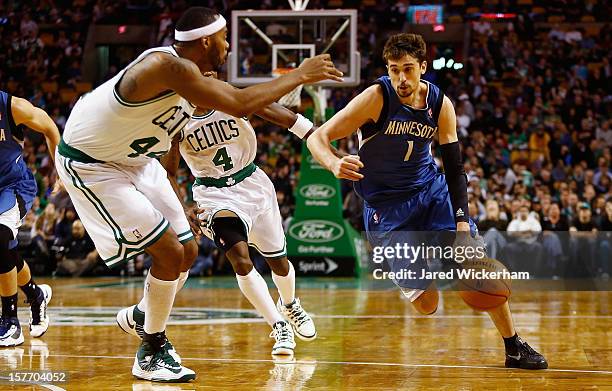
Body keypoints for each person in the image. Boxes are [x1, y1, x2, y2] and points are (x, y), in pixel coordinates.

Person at [55, 6, 341, 383]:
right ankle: (152, 349)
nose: (228, 46)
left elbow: (253, 104)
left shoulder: (196, 78)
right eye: (224, 39)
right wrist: (299, 75)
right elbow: (241, 103)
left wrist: (312, 133)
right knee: (171, 252)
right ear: (206, 41)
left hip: (138, 160)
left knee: (188, 252)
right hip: (94, 163)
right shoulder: (166, 67)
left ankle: (144, 314)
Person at [306, 33, 547, 369]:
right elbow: (318, 137)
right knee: (427, 304)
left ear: (423, 66)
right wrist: (333, 164)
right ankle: (437, 260)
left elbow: (454, 168)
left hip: (430, 192)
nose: (401, 79)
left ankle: (513, 345)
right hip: (387, 210)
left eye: (408, 69)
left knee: (477, 264)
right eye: (394, 70)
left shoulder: (439, 103)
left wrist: (462, 223)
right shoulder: (376, 98)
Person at [159, 72, 319, 356]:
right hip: (213, 194)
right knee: (241, 259)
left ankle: (290, 304)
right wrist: (183, 206)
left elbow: (282, 116)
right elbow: (169, 172)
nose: (208, 80)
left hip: (253, 183)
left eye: (210, 75)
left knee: (279, 262)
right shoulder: (177, 119)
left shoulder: (234, 97)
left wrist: (314, 133)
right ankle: (278, 324)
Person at [0, 91, 58, 346]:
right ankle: (35, 295)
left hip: (13, 186)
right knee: (5, 251)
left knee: (0, 236)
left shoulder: (12, 107)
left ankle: (10, 322)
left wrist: (60, 170)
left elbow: (49, 126)